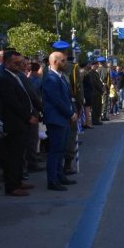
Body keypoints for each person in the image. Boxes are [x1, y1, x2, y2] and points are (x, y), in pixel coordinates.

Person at [0, 51, 36, 197]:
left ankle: (18, 181)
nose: (20, 65)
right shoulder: (5, 79)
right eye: (16, 63)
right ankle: (12, 186)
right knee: (13, 156)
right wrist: (27, 117)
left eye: (21, 63)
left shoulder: (16, 76)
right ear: (7, 63)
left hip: (21, 123)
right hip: (14, 123)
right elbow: (13, 103)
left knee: (19, 155)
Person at [41, 52, 77, 191]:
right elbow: (56, 100)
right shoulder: (50, 78)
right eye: (63, 61)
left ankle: (60, 175)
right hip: (56, 119)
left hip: (64, 119)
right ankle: (52, 180)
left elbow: (68, 97)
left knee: (61, 150)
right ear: (54, 62)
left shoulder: (61, 77)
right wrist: (70, 113)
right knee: (55, 151)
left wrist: (73, 111)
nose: (66, 63)